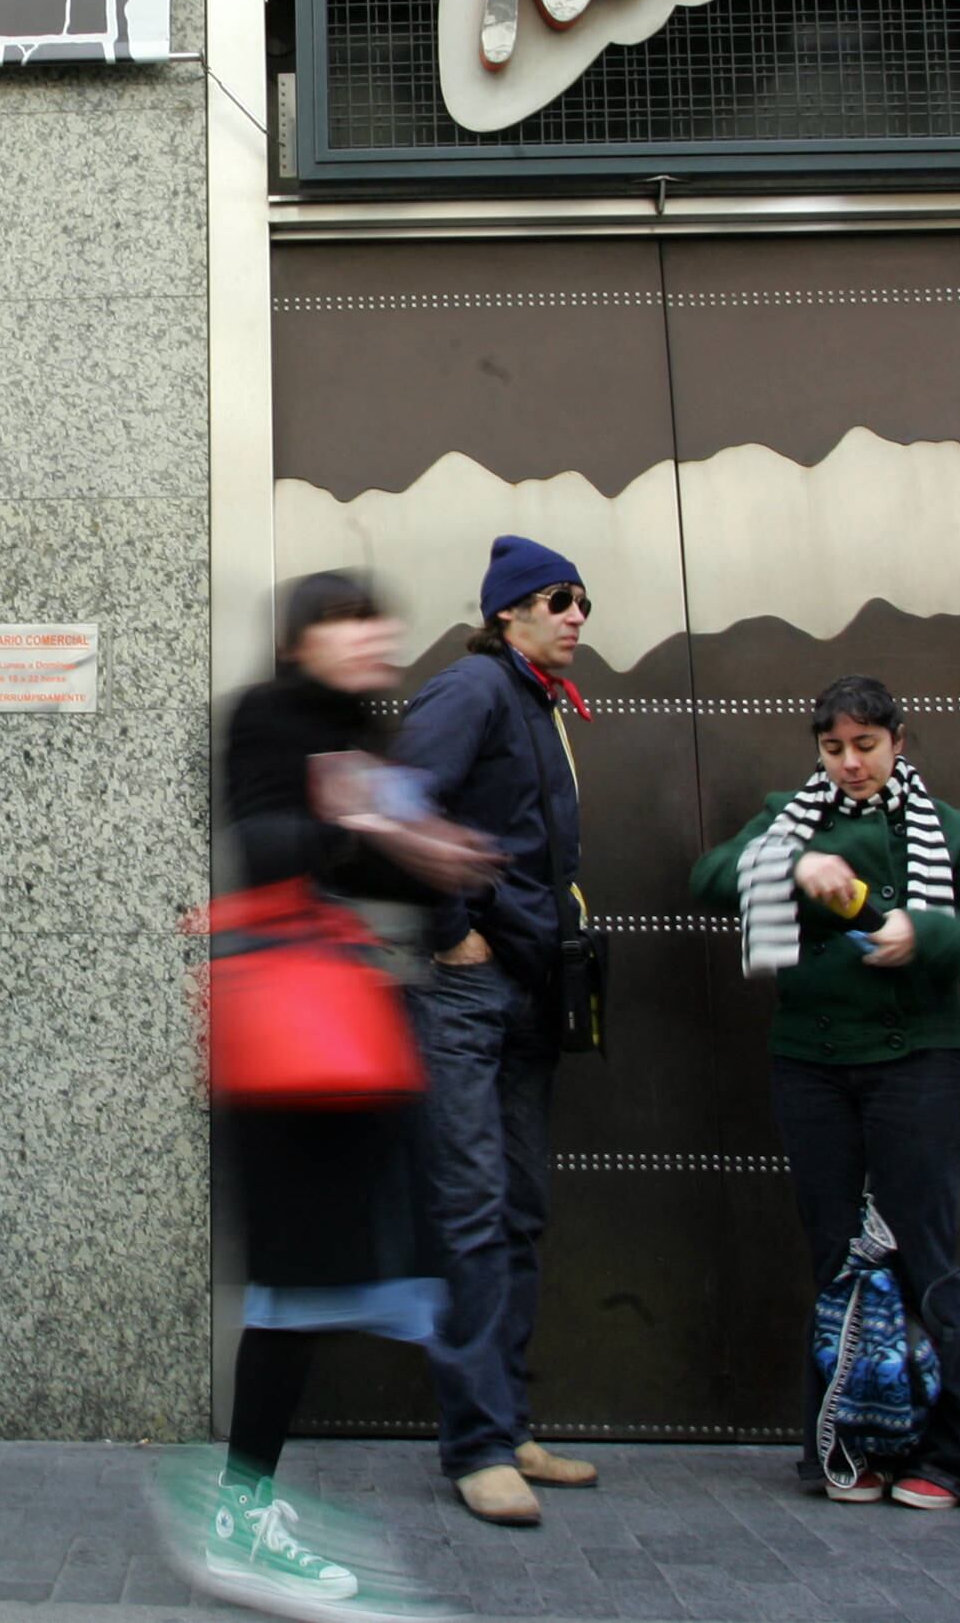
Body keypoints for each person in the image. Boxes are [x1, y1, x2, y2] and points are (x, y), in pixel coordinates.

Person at [186, 571, 497, 1611]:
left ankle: (243, 1504)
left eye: (382, 618)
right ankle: (238, 1509)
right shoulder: (267, 717)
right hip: (290, 1045)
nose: (379, 635)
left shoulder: (363, 735)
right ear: (305, 635)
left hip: (343, 1045)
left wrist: (437, 856)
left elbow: (389, 872)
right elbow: (265, 844)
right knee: (297, 1288)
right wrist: (366, 823)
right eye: (353, 618)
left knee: (325, 1284)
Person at [689, 676, 960, 1512]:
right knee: (836, 1256)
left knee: (925, 1254)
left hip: (921, 1061)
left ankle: (958, 1456)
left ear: (899, 741)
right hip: (811, 1062)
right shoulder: (790, 818)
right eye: (834, 749)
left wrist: (926, 931)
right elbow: (709, 876)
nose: (851, 764)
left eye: (866, 746)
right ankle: (844, 1450)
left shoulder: (954, 831)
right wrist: (793, 860)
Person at [390, 534, 600, 1527]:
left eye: (582, 602)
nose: (575, 615)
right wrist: (454, 936)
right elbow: (398, 808)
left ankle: (507, 1423)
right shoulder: (471, 692)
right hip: (471, 995)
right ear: (508, 612)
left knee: (517, 1207)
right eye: (557, 599)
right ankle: (474, 1446)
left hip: (528, 991)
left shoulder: (538, 703)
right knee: (473, 1208)